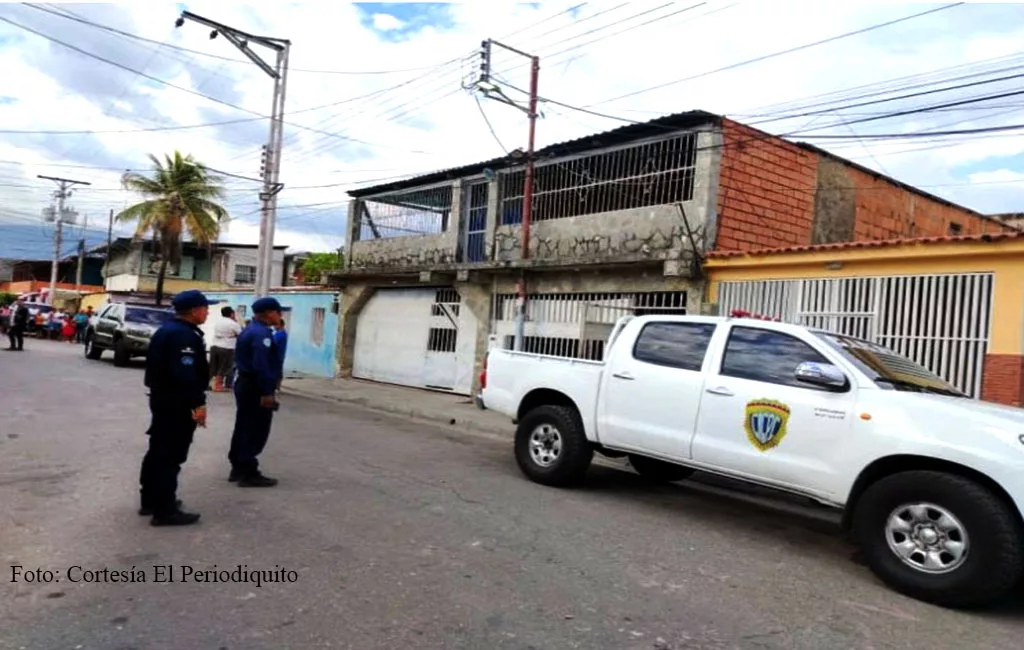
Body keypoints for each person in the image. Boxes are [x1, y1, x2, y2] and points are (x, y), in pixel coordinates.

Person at [138, 289, 215, 526]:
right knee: (170, 456)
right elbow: (185, 376)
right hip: (176, 403)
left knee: (158, 451)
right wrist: (198, 404)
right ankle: (165, 510)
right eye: (205, 308)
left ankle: (151, 499)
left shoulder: (169, 330)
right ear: (194, 310)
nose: (207, 312)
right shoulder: (183, 336)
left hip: (163, 399)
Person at [228, 297, 283, 488]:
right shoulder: (261, 334)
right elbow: (261, 365)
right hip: (255, 386)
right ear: (269, 313)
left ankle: (238, 466)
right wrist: (267, 391)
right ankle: (248, 471)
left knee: (244, 425)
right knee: (255, 428)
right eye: (278, 312)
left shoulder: (251, 329)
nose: (280, 316)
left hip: (246, 383)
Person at [210, 306, 242, 392]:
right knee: (224, 367)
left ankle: (214, 384)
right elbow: (241, 334)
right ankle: (218, 385)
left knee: (215, 366)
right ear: (231, 314)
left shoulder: (218, 322)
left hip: (215, 345)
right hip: (227, 347)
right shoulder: (233, 323)